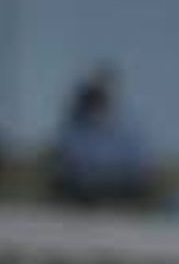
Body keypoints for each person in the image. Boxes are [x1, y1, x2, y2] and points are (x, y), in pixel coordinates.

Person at [49, 67, 155, 207]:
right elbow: (68, 161)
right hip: (82, 188)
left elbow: (140, 163)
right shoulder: (74, 125)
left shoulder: (128, 125)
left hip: (120, 186)